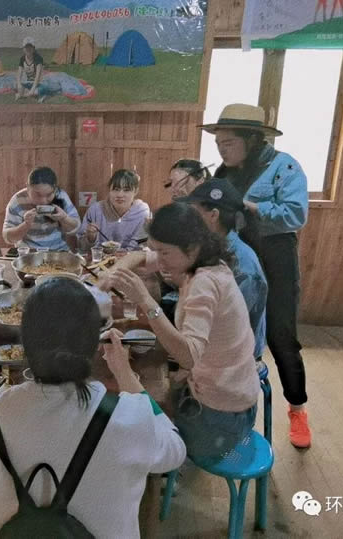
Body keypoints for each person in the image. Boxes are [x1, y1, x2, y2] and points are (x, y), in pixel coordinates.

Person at [0, 277, 185, 538]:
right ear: (93, 344)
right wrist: (125, 374)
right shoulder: (130, 416)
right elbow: (176, 450)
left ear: (24, 343)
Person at [108, 203, 260, 460]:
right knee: (148, 387)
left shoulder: (205, 282)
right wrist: (111, 275)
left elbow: (188, 356)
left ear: (192, 248)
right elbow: (141, 257)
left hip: (222, 415)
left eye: (164, 252)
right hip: (230, 393)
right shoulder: (206, 261)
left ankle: (171, 468)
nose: (159, 260)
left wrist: (146, 300)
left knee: (133, 419)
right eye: (157, 250)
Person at [202, 103, 311, 448]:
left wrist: (249, 207)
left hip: (276, 256)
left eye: (228, 143)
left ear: (251, 139)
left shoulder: (283, 167)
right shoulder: (224, 172)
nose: (222, 150)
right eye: (218, 143)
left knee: (281, 336)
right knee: (236, 333)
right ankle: (232, 409)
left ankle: (297, 408)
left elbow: (295, 215)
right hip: (238, 256)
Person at [179, 179, 268, 359]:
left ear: (213, 215)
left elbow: (227, 323)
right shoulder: (209, 245)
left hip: (235, 356)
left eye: (194, 214)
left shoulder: (243, 265)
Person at [2, 166, 80, 251]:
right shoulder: (17, 200)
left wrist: (64, 218)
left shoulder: (61, 196)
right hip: (29, 252)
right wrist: (26, 224)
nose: (43, 201)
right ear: (28, 187)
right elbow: (7, 238)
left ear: (55, 189)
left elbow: (76, 228)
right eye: (38, 195)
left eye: (49, 195)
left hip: (58, 251)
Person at [78, 169, 151, 252]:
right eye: (116, 189)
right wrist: (90, 238)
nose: (120, 195)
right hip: (100, 258)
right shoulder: (95, 210)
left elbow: (141, 246)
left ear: (136, 191)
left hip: (131, 258)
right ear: (109, 190)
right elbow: (82, 247)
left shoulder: (142, 212)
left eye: (126, 190)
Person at [15, 37, 47, 102]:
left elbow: (38, 76)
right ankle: (29, 94)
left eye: (30, 47)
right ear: (23, 49)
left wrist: (33, 89)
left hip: (38, 83)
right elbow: (19, 73)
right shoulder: (22, 59)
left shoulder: (38, 58)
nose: (28, 49)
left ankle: (23, 95)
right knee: (16, 85)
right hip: (28, 83)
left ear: (33, 48)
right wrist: (19, 84)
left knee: (39, 90)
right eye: (26, 47)